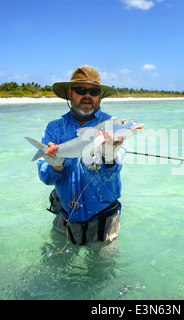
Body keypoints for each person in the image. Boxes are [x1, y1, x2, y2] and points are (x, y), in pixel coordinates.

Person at [37, 66, 125, 245]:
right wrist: (55, 164)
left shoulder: (112, 125)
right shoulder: (53, 128)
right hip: (65, 219)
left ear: (99, 96)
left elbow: (114, 171)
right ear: (70, 93)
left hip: (105, 222)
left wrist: (110, 155)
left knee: (103, 273)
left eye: (93, 91)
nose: (88, 95)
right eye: (81, 90)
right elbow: (45, 178)